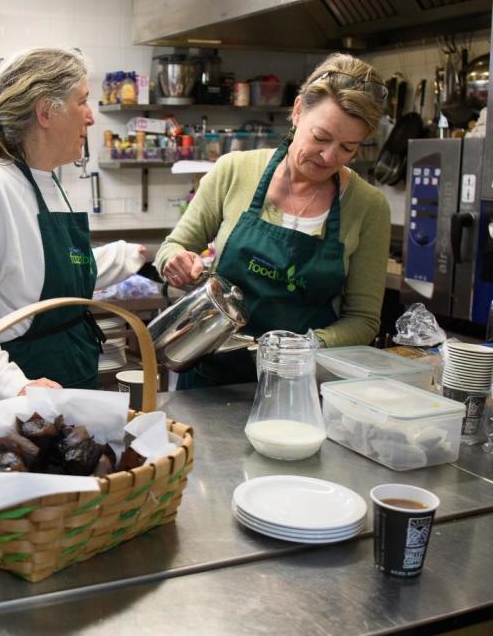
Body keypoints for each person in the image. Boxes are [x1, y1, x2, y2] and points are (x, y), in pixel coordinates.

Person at [155, 53, 390, 389]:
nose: (329, 157)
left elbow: (364, 320)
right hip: (210, 372)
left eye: (347, 148)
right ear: (297, 112)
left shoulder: (369, 206)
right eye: (320, 138)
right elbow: (172, 247)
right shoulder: (234, 171)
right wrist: (175, 261)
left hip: (299, 383)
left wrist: (305, 346)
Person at [0, 47, 146, 406]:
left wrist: (137, 257)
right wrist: (15, 388)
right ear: (47, 112)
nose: (91, 117)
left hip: (74, 374)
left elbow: (51, 274)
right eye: (83, 101)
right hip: (25, 395)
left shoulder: (48, 181)